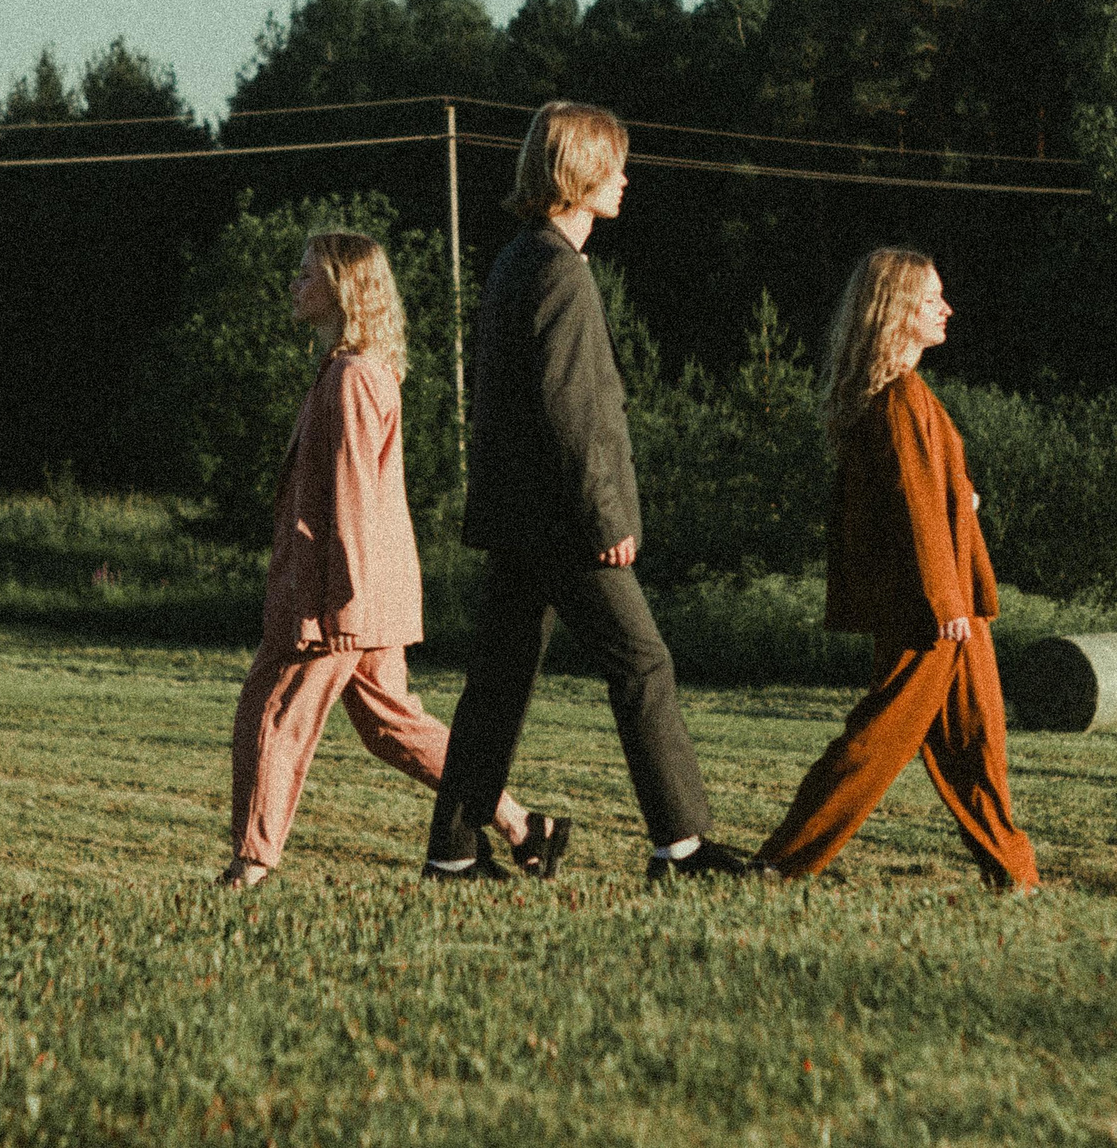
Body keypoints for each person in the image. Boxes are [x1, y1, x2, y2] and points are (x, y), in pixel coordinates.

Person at [423, 101, 757, 882]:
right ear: (578, 174)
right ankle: (681, 846)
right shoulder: (563, 275)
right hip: (566, 526)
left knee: (495, 690)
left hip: (517, 522)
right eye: (613, 166)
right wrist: (607, 515)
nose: (625, 179)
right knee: (643, 664)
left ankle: (451, 853)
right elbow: (573, 412)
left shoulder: (517, 261)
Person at [219, 232, 552, 889]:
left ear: (343, 288)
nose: (294, 284)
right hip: (356, 592)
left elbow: (355, 499)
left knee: (272, 714)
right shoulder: (347, 370)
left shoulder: (352, 377)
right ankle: (521, 824)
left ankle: (248, 868)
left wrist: (344, 601)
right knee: (392, 727)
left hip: (334, 597)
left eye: (306, 273)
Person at [755, 249, 1039, 890]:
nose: (947, 308)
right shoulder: (902, 399)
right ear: (897, 312)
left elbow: (921, 498)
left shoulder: (901, 398)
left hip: (950, 601)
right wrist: (947, 606)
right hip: (938, 610)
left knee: (978, 739)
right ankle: (782, 860)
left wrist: (960, 502)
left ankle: (1016, 872)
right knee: (881, 739)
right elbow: (915, 511)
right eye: (933, 298)